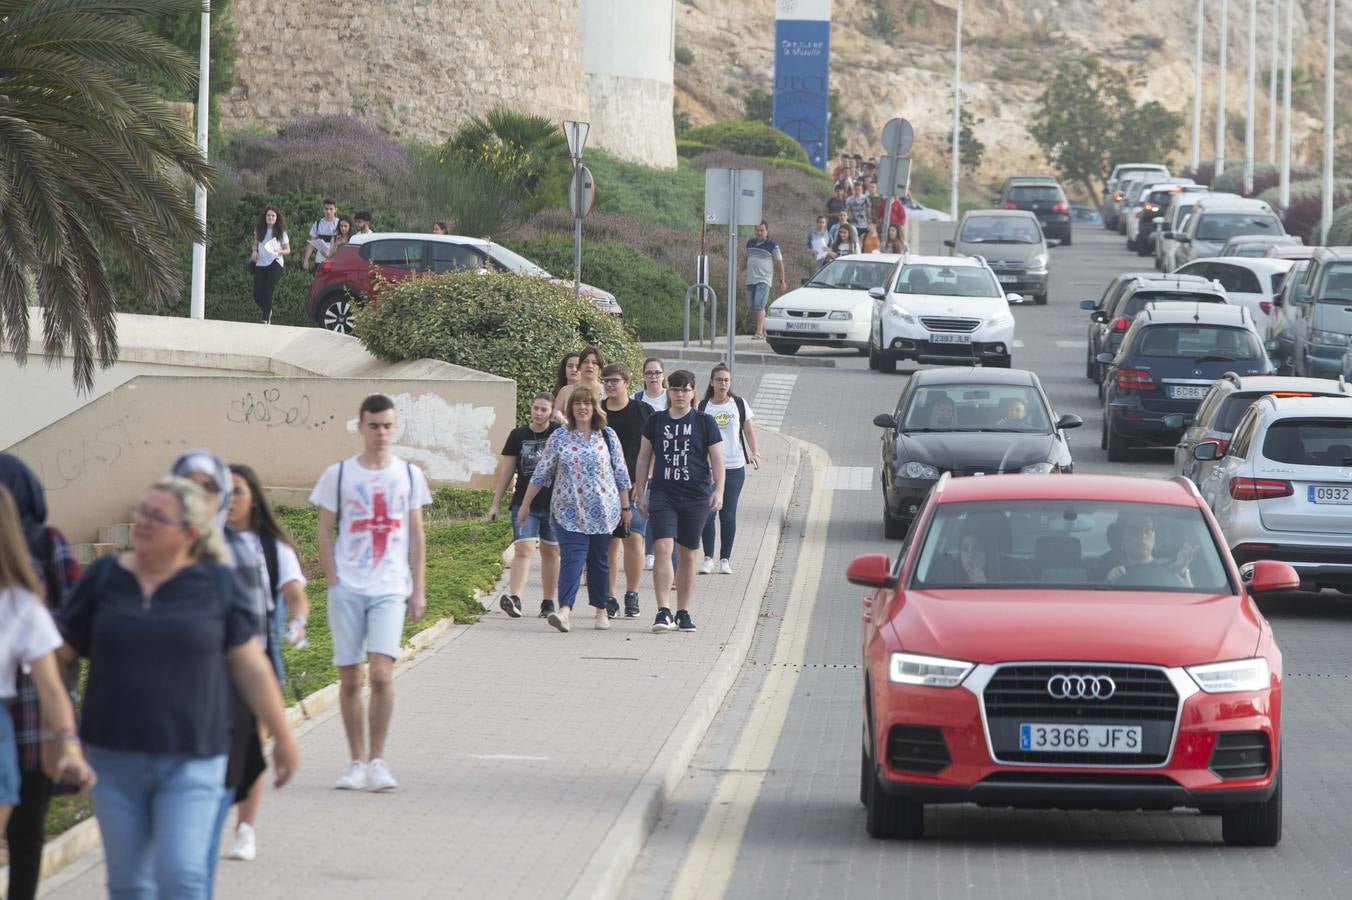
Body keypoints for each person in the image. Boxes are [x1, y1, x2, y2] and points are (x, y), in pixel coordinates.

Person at [59, 477, 297, 900]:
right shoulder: (105, 578)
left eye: (158, 516)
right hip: (114, 758)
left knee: (182, 875)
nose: (143, 522)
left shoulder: (217, 584)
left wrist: (283, 736)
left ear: (190, 533)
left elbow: (251, 666)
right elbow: (60, 656)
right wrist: (59, 734)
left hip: (193, 757)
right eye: (142, 511)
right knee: (130, 885)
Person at [310, 394, 431, 792]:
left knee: (380, 674)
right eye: (374, 425)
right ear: (361, 427)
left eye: (387, 426)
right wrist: (333, 578)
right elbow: (324, 531)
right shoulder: (339, 475)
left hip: (390, 586)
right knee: (349, 679)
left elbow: (416, 534)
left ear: (396, 429)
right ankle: (355, 761)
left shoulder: (409, 475)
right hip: (347, 586)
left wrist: (418, 589)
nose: (381, 432)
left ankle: (377, 760)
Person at [169, 452, 273, 893]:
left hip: (214, 717)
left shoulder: (239, 554)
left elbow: (252, 647)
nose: (197, 495)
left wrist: (276, 728)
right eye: (188, 484)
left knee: (193, 853)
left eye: (208, 487)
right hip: (151, 725)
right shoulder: (152, 549)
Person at [0, 484, 95, 897]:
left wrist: (68, 749)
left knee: (25, 832)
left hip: (12, 727)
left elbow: (52, 689)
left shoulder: (20, 604)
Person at [221, 463, 310, 863]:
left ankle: (245, 828)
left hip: (258, 661)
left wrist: (297, 623)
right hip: (207, 662)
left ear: (254, 498)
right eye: (222, 491)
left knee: (252, 745)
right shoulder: (201, 542)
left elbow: (295, 596)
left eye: (237, 491)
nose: (229, 499)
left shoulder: (273, 548)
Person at [517, 386, 633, 633]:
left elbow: (621, 472)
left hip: (603, 512)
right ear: (571, 408)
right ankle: (564, 611)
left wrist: (626, 507)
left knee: (599, 561)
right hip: (568, 511)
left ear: (594, 407)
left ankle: (601, 610)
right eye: (578, 403)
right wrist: (525, 504)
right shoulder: (560, 436)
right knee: (572, 559)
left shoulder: (607, 435)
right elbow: (542, 473)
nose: (582, 408)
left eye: (587, 403)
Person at [635, 370, 725, 634]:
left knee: (688, 554)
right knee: (662, 547)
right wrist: (641, 492)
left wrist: (719, 491)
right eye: (675, 389)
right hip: (663, 493)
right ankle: (663, 610)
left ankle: (683, 611)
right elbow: (643, 458)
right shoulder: (656, 421)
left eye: (685, 390)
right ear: (668, 391)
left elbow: (717, 459)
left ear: (693, 392)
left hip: (696, 495)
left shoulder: (705, 421)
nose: (680, 394)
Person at [487, 393, 561, 619]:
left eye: (544, 409)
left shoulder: (558, 433)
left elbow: (579, 436)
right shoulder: (518, 435)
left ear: (551, 412)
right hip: (524, 504)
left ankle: (548, 602)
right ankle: (515, 598)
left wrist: (562, 420)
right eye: (535, 408)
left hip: (553, 504)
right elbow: (506, 472)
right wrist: (495, 504)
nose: (538, 413)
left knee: (551, 552)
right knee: (524, 549)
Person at [697, 364, 760, 576]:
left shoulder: (739, 404)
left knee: (728, 514)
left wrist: (755, 452)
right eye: (719, 380)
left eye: (726, 380)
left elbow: (748, 431)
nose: (723, 383)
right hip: (708, 469)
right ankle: (708, 558)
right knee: (708, 514)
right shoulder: (703, 406)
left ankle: (725, 559)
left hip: (734, 467)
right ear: (711, 382)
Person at [600, 363, 651, 619]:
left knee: (634, 539)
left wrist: (643, 483)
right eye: (606, 380)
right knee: (609, 542)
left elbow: (654, 450)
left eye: (615, 381)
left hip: (635, 486)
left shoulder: (643, 411)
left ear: (627, 383)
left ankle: (632, 593)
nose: (610, 385)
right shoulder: (597, 411)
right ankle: (609, 596)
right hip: (602, 489)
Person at [1097, 513, 1197, 588]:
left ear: (1154, 535)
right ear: (1122, 537)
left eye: (1148, 529)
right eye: (1135, 530)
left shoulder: (1172, 565)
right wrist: (1110, 582)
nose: (1142, 536)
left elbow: (1192, 601)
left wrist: (1182, 572)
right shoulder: (1105, 566)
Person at [634, 358, 668, 572]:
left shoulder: (670, 398)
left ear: (663, 375)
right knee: (643, 505)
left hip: (665, 461)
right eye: (649, 373)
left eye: (656, 373)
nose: (653, 377)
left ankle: (654, 552)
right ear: (643, 376)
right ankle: (645, 552)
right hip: (642, 459)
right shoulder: (636, 399)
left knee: (658, 509)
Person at [741, 222, 786, 342]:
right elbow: (746, 258)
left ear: (767, 231)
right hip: (751, 279)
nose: (759, 233)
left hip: (764, 279)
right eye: (757, 230)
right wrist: (739, 272)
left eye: (762, 230)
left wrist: (782, 280)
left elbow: (779, 263)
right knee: (752, 305)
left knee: (759, 304)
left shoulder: (772, 246)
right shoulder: (750, 243)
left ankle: (759, 332)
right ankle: (764, 328)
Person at [249, 207, 290, 324]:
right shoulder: (259, 230)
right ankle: (267, 310)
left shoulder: (281, 232)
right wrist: (254, 251)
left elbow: (288, 250)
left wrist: (280, 251)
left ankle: (265, 318)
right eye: (268, 215)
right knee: (257, 295)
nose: (270, 218)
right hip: (261, 263)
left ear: (276, 218)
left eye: (273, 216)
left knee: (268, 289)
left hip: (275, 262)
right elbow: (255, 244)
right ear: (265, 217)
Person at [554, 345, 604, 422]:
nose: (589, 366)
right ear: (580, 367)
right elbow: (553, 418)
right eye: (585, 362)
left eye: (594, 363)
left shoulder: (606, 392)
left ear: (600, 369)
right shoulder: (565, 391)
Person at [302, 199, 341, 272]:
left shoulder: (340, 223)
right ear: (323, 209)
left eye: (331, 209)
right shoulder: (318, 223)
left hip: (335, 260)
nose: (328, 211)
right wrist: (306, 259)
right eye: (326, 209)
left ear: (335, 210)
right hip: (320, 259)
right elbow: (311, 243)